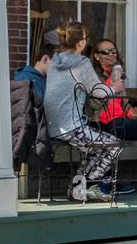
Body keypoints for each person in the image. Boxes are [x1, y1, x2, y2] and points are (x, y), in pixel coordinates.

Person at [43, 21, 125, 202]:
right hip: (72, 127)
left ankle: (77, 188)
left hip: (54, 126)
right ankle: (86, 186)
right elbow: (98, 92)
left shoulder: (55, 61)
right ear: (80, 42)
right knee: (114, 145)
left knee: (97, 149)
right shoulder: (81, 63)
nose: (87, 42)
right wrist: (113, 87)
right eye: (86, 39)